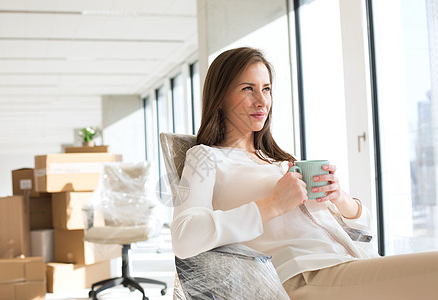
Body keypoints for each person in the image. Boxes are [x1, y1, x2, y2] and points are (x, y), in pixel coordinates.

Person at [170, 47, 438, 299]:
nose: (262, 100)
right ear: (220, 96)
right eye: (248, 89)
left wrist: (341, 198)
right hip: (303, 277)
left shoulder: (279, 161)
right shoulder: (205, 157)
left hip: (350, 263)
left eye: (266, 89)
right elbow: (184, 238)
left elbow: (363, 230)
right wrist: (272, 205)